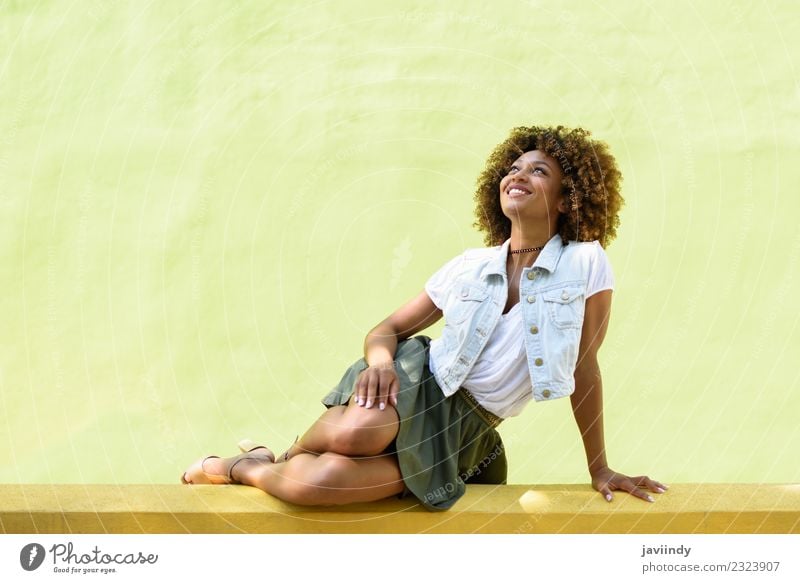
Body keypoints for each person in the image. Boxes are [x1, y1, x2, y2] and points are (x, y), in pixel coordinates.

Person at [180, 124, 668, 511]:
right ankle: (286, 455)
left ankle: (247, 466)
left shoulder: (586, 262)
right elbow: (385, 330)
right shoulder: (468, 266)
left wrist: (599, 468)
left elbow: (585, 368)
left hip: (468, 423)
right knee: (354, 433)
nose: (517, 175)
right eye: (513, 167)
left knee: (320, 486)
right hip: (417, 380)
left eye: (538, 171)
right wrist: (381, 363)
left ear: (567, 199)